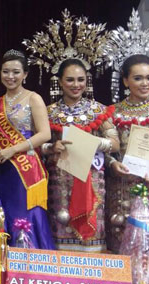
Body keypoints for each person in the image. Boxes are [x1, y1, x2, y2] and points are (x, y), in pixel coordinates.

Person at [0, 50, 55, 250]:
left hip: (25, 169)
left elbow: (44, 134)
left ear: (25, 74)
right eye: (5, 72)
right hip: (2, 170)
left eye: (16, 72)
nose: (10, 76)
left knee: (23, 216)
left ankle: (30, 267)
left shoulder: (33, 98)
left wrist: (13, 150)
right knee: (3, 216)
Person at [42, 59, 119, 252]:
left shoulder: (98, 110)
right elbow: (38, 146)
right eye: (70, 80)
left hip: (92, 181)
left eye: (80, 80)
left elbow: (115, 144)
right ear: (59, 82)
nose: (76, 85)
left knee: (91, 232)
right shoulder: (49, 112)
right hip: (59, 181)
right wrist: (51, 147)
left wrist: (91, 143)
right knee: (60, 223)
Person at [106, 55, 149, 284]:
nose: (145, 83)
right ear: (125, 81)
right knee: (123, 238)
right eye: (138, 78)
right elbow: (107, 150)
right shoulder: (112, 114)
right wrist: (112, 163)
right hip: (123, 189)